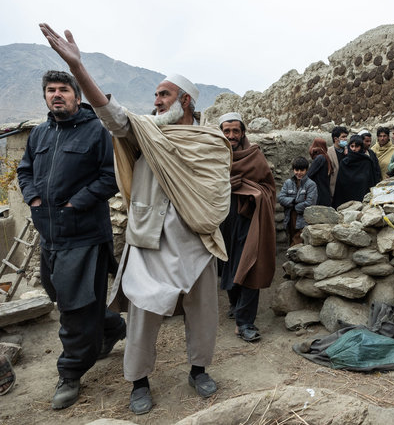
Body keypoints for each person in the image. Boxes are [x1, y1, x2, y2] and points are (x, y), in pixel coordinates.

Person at [39, 24, 232, 415]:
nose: (157, 101)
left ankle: (198, 370)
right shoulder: (144, 132)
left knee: (203, 314)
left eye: (165, 94)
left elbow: (217, 196)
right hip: (149, 239)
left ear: (187, 102)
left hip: (197, 241)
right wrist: (78, 69)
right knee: (142, 318)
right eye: (156, 95)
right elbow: (113, 116)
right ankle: (139, 381)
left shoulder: (212, 142)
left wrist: (202, 220)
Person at [16, 70, 126, 410]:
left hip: (84, 237)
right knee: (58, 294)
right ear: (45, 97)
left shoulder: (97, 132)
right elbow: (24, 170)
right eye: (51, 90)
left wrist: (75, 202)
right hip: (50, 235)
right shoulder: (39, 134)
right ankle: (110, 327)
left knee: (75, 309)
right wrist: (33, 198)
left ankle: (71, 372)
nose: (56, 95)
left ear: (77, 96)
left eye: (63, 89)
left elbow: (112, 177)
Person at [218, 112, 276, 343]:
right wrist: (224, 184)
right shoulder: (213, 155)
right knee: (229, 264)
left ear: (243, 133)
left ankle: (245, 322)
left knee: (251, 265)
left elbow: (269, 188)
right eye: (227, 131)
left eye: (235, 131)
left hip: (250, 219)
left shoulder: (255, 155)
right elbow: (201, 185)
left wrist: (249, 189)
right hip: (222, 219)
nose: (231, 135)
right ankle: (235, 304)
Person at [278, 157, 317, 246]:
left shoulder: (311, 185)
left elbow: (310, 203)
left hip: (303, 218)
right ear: (293, 170)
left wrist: (295, 206)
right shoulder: (288, 183)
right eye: (296, 170)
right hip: (290, 217)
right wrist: (294, 201)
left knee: (297, 241)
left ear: (306, 170)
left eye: (302, 170)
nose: (299, 172)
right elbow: (281, 198)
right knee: (291, 238)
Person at [332, 135, 378, 207]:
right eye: (352, 146)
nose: (354, 149)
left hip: (363, 201)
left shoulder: (367, 162)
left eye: (357, 146)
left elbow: (372, 182)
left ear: (361, 147)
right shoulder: (344, 163)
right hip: (346, 202)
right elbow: (340, 186)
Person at [307, 138, 333, 206]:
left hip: (319, 194)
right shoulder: (326, 157)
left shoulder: (320, 158)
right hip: (324, 194)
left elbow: (309, 175)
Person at [326, 126, 348, 203]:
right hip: (334, 189)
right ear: (335, 139)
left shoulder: (348, 151)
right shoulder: (328, 152)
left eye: (346, 137)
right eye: (343, 137)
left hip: (346, 188)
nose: (345, 139)